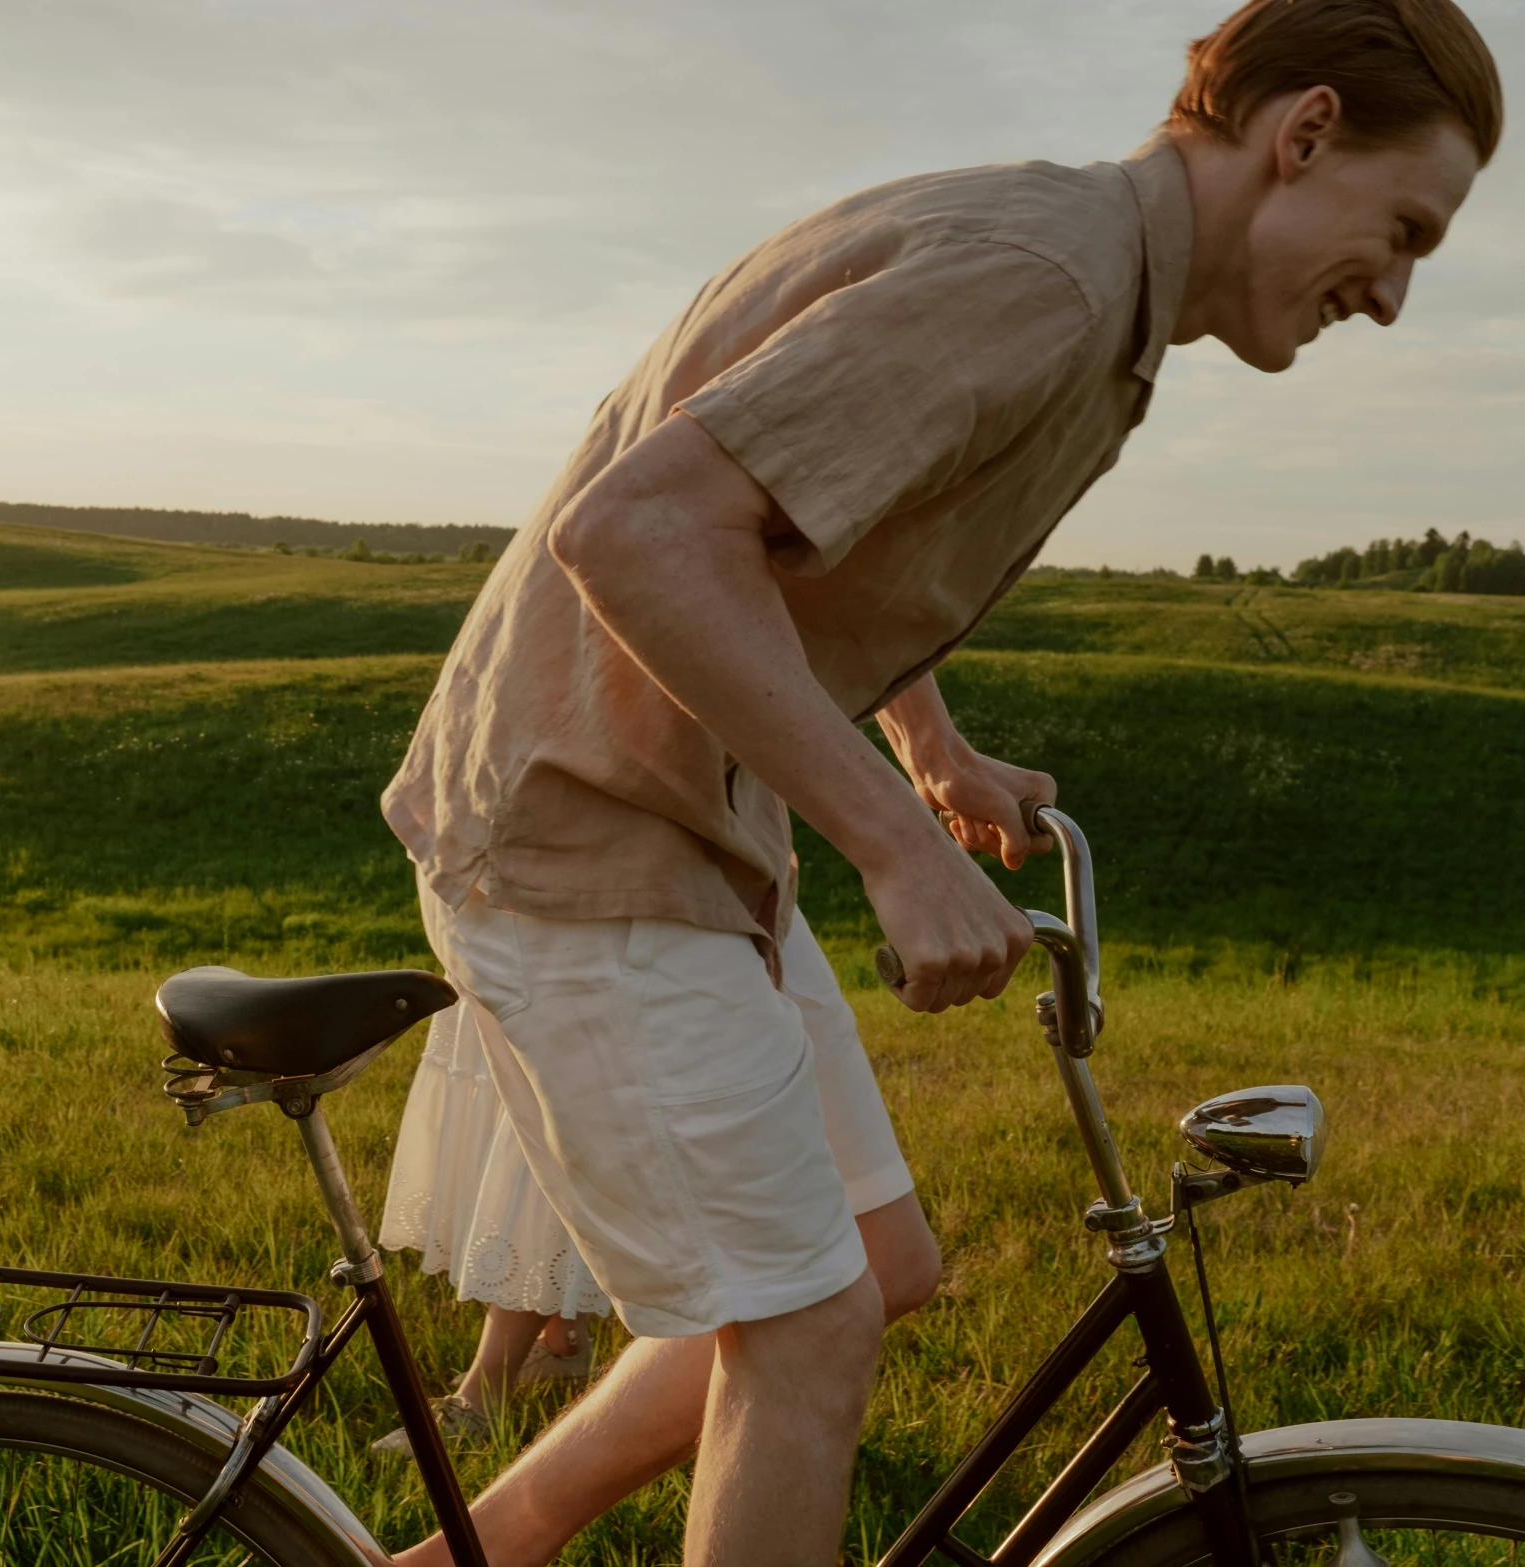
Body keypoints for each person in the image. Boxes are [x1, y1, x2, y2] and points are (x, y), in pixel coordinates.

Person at [378, 3, 1500, 1564]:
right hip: (582, 819)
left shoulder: (1067, 265)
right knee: (809, 1329)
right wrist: (898, 849)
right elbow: (639, 530)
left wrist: (928, 744)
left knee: (864, 1260)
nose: (1386, 296)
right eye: (1403, 231)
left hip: (682, 819)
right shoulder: (1039, 279)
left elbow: (805, 514)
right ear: (1298, 134)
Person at [368, 908, 929, 1453]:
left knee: (572, 1126)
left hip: (694, 892)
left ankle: (512, 1403)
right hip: (587, 891)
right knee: (549, 1126)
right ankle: (530, 1370)